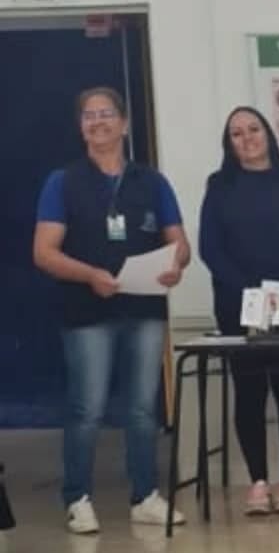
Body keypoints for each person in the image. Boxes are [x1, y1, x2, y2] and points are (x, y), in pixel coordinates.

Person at [33, 87, 191, 535]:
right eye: (89, 115)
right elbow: (44, 252)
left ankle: (145, 496)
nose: (98, 121)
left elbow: (180, 244)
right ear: (80, 126)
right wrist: (89, 275)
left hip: (145, 308)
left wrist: (176, 265)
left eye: (106, 114)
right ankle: (77, 498)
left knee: (142, 409)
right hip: (87, 311)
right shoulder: (63, 181)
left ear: (124, 123)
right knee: (87, 408)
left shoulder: (152, 182)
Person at [199, 106, 279, 515]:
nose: (247, 138)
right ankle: (257, 482)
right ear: (228, 143)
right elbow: (210, 248)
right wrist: (249, 293)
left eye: (253, 129)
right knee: (249, 393)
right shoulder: (220, 186)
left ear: (267, 133)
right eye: (236, 133)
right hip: (238, 305)